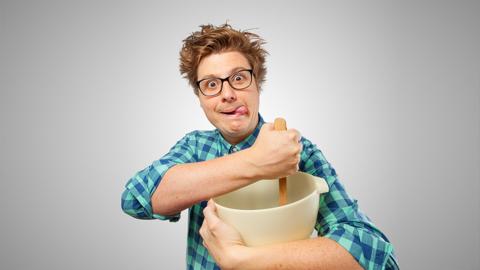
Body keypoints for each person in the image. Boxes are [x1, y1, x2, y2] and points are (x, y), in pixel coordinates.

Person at [121, 23, 399, 270]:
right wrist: (256, 161)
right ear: (200, 97)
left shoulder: (297, 153)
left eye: (239, 78)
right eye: (211, 84)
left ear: (258, 83)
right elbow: (135, 199)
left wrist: (239, 260)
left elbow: (374, 254)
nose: (228, 94)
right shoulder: (195, 147)